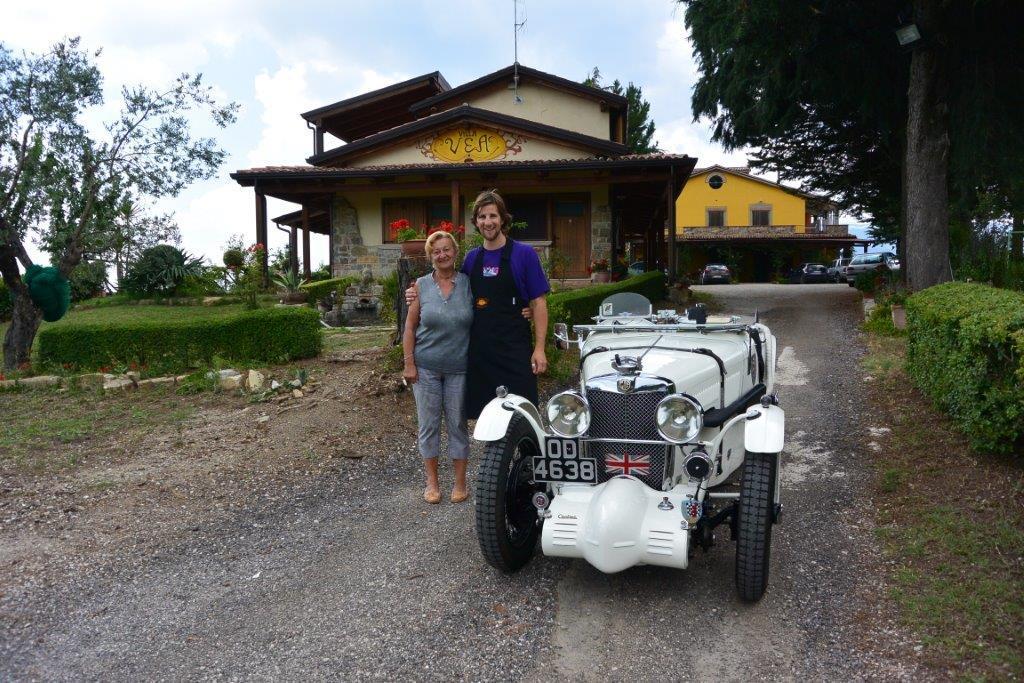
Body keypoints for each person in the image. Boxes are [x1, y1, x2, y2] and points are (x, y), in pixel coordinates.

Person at [409, 189, 550, 418]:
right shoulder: (472, 259)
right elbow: (450, 288)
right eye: (482, 217)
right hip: (481, 356)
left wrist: (540, 348)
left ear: (503, 219)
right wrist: (416, 292)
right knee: (489, 422)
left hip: (516, 353)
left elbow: (539, 302)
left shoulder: (524, 254)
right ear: (476, 221)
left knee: (524, 417)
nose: (488, 222)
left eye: (493, 216)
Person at [402, 231, 473, 504]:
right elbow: (409, 327)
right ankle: (432, 483)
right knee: (428, 425)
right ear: (430, 257)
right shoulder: (420, 286)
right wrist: (409, 363)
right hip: (426, 367)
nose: (442, 255)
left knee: (457, 425)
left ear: (455, 252)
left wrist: (523, 310)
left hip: (459, 368)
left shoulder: (468, 284)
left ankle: (460, 483)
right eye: (436, 251)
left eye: (446, 249)